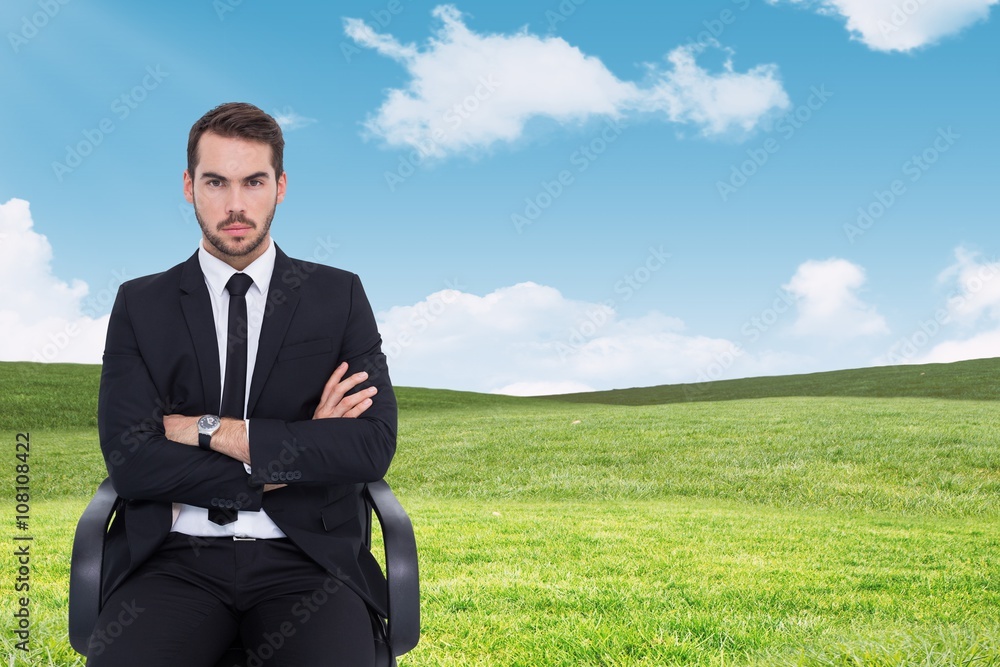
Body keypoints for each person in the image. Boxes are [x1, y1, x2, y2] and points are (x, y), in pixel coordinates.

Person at [91, 102, 396, 666]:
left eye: (253, 181)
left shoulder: (339, 295)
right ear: (189, 186)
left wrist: (205, 430)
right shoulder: (140, 303)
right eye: (216, 182)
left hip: (307, 563)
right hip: (171, 562)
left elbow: (369, 446)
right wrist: (295, 455)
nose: (235, 205)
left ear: (280, 186)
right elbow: (133, 461)